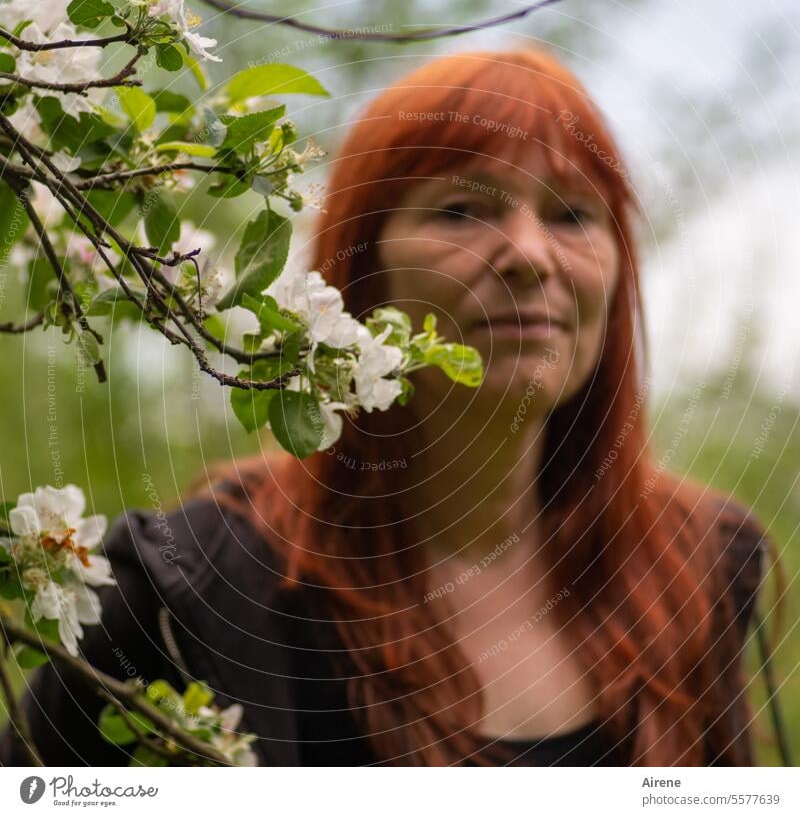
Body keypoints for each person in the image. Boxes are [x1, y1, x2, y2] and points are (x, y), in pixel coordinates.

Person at [0, 47, 768, 767]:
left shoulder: (703, 560)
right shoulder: (193, 587)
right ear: (362, 268)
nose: (531, 256)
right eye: (463, 211)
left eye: (572, 213)